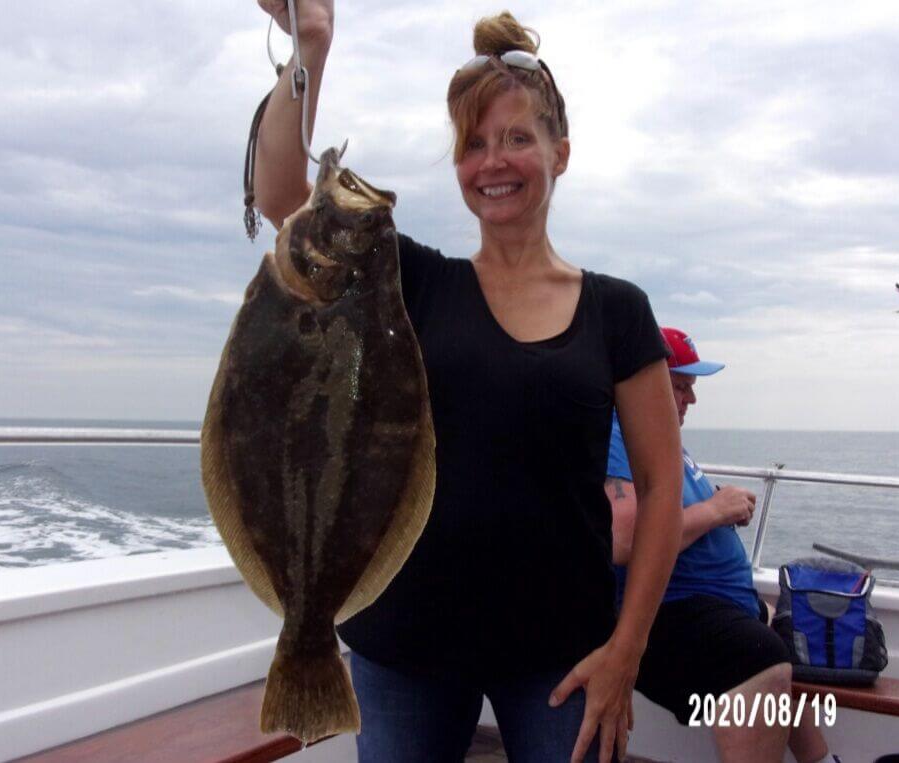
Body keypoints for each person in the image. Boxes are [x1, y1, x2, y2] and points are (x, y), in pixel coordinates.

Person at [252, 3, 685, 762]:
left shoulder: (618, 309)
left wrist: (627, 650)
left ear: (561, 152)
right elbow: (282, 197)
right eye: (474, 144)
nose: (493, 162)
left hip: (563, 651)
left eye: (518, 138)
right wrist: (310, 47)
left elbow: (659, 482)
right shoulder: (416, 281)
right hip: (403, 642)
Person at [607, 327, 838, 763]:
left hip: (714, 601)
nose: (690, 400)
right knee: (760, 653)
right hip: (665, 612)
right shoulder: (620, 435)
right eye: (680, 387)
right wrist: (716, 511)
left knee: (783, 627)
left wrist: (722, 508)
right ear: (643, 384)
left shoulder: (659, 437)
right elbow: (624, 538)